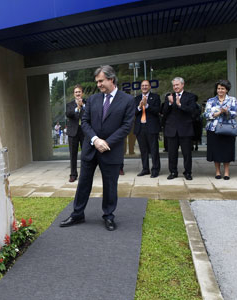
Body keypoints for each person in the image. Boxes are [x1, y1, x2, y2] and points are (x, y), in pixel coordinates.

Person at [60, 65, 135, 231]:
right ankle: (77, 214)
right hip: (90, 148)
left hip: (111, 150)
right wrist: (95, 140)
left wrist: (106, 143)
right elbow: (85, 122)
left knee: (110, 185)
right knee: (83, 183)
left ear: (111, 79)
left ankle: (108, 216)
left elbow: (126, 126)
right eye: (97, 82)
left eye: (101, 81)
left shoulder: (127, 100)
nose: (98, 84)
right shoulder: (93, 99)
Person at [162, 77, 196, 180]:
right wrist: (170, 103)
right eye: (174, 85)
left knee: (187, 153)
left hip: (185, 129)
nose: (175, 87)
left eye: (177, 85)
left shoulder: (190, 96)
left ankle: (188, 172)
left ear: (182, 84)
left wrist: (179, 105)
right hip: (172, 130)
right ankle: (173, 171)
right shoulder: (169, 96)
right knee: (172, 153)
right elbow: (164, 112)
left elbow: (192, 110)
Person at [204, 79, 237, 180]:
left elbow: (235, 114)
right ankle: (217, 172)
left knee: (227, 151)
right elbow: (206, 115)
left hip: (227, 129)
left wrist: (227, 112)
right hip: (213, 129)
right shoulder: (211, 100)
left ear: (227, 90)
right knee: (216, 151)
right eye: (218, 88)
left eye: (222, 89)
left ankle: (226, 172)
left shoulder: (232, 100)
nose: (220, 90)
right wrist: (217, 113)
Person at [133, 80, 161, 178]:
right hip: (140, 127)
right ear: (140, 87)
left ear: (149, 87)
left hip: (152, 127)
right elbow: (133, 112)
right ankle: (145, 169)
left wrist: (147, 105)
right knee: (143, 150)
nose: (144, 87)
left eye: (146, 85)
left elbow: (157, 110)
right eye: (143, 85)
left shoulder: (156, 97)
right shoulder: (136, 98)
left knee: (154, 150)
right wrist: (140, 107)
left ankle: (155, 169)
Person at [66, 85, 86, 182]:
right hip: (73, 132)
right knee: (73, 155)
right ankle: (73, 174)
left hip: (84, 132)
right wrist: (77, 107)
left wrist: (82, 106)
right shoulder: (69, 105)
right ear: (74, 94)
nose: (78, 93)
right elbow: (69, 115)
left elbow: (88, 115)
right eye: (76, 92)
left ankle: (84, 174)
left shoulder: (87, 104)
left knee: (85, 154)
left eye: (79, 92)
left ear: (82, 93)